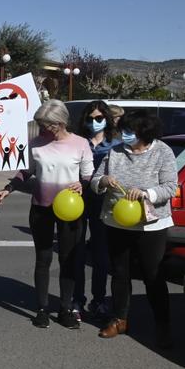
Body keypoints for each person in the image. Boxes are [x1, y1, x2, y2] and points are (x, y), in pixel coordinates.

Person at [0, 99, 94, 330]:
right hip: (41, 208)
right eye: (39, 124)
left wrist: (82, 185)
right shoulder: (35, 144)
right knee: (43, 259)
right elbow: (25, 172)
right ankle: (42, 308)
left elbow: (88, 176)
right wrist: (7, 190)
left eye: (45, 124)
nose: (42, 128)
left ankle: (66, 308)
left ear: (59, 123)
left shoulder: (80, 144)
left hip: (70, 210)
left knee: (68, 259)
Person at [91, 110, 179, 348]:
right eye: (124, 131)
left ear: (144, 133)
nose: (125, 135)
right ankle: (119, 319)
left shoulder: (163, 152)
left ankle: (162, 323)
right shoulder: (115, 152)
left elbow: (171, 187)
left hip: (151, 224)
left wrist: (146, 194)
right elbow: (95, 180)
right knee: (120, 273)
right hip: (116, 221)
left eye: (130, 132)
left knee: (153, 274)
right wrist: (102, 182)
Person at [73, 100, 117, 319]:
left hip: (103, 203)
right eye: (90, 119)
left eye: (99, 118)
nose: (94, 122)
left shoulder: (115, 145)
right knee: (77, 254)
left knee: (101, 256)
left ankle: (99, 299)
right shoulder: (78, 143)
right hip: (78, 201)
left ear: (106, 119)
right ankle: (77, 300)